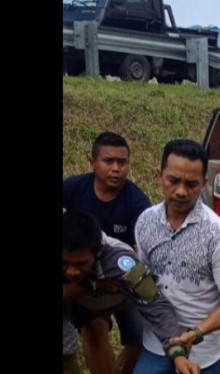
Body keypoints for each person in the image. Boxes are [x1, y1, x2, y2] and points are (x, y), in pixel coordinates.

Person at [133, 139, 220, 374]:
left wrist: (197, 333)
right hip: (157, 341)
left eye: (191, 183)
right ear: (159, 174)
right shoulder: (145, 221)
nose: (181, 191)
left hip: (205, 349)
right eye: (173, 180)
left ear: (204, 183)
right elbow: (145, 279)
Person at [63, 212, 200, 374]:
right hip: (79, 296)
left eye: (81, 264)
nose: (72, 271)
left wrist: (177, 354)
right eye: (64, 263)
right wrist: (94, 285)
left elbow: (155, 307)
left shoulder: (123, 264)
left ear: (99, 250)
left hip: (119, 297)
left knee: (136, 339)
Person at [63, 132, 151, 374]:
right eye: (108, 161)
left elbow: (144, 256)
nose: (116, 169)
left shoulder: (138, 203)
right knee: (94, 327)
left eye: (122, 163)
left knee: (139, 341)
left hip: (124, 279)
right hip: (83, 278)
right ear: (91, 162)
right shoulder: (73, 187)